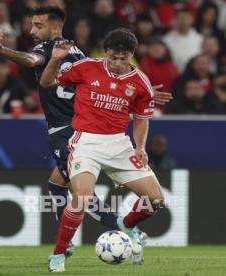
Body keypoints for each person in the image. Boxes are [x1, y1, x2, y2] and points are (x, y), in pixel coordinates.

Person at [0, 5, 172, 259]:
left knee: (81, 195)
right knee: (57, 183)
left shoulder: (49, 48)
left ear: (55, 27)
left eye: (38, 25)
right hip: (78, 124)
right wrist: (130, 88)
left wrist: (3, 52)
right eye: (32, 24)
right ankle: (73, 242)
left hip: (71, 128)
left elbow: (32, 61)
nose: (32, 30)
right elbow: (100, 80)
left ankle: (123, 228)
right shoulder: (78, 51)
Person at [40, 28, 165, 272]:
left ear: (132, 55)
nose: (119, 64)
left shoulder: (140, 82)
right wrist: (55, 59)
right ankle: (58, 254)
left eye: (124, 58)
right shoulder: (86, 68)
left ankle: (126, 225)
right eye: (113, 58)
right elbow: (46, 82)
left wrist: (140, 147)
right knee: (83, 198)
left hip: (119, 144)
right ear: (105, 53)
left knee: (155, 200)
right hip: (86, 142)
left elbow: (140, 118)